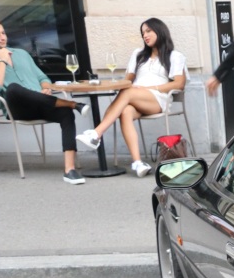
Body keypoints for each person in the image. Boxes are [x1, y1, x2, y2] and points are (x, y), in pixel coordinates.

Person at [75, 18, 187, 177]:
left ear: (159, 31)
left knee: (128, 93)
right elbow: (128, 80)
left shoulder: (174, 56)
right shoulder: (138, 54)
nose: (145, 36)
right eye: (143, 33)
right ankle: (138, 163)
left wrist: (150, 88)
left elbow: (179, 84)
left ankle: (96, 134)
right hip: (135, 97)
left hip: (158, 99)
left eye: (148, 31)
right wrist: (112, 83)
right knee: (126, 110)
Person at [0, 19, 87, 184]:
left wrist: (46, 88)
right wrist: (1, 60)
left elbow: (42, 77)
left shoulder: (21, 54)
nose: (2, 37)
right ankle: (74, 104)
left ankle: (70, 170)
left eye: (3, 33)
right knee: (13, 89)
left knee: (65, 114)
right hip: (16, 109)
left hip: (41, 102)